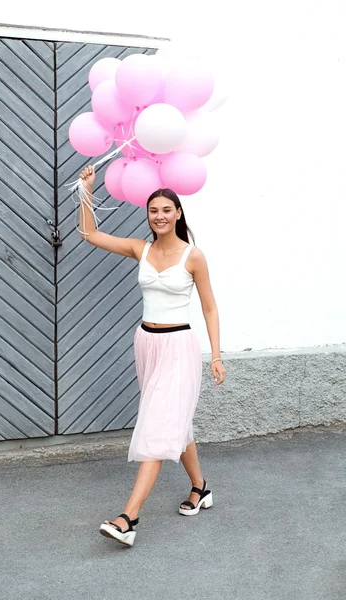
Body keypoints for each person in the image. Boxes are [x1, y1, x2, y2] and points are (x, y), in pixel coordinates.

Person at [78, 165, 226, 547]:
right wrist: (86, 190)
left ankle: (128, 518)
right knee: (173, 419)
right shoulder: (138, 249)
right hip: (146, 343)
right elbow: (89, 233)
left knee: (159, 423)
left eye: (166, 209)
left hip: (179, 346)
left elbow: (209, 308)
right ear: (148, 215)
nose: (159, 216)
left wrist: (215, 355)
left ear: (178, 213)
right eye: (153, 210)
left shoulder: (194, 257)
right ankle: (201, 486)